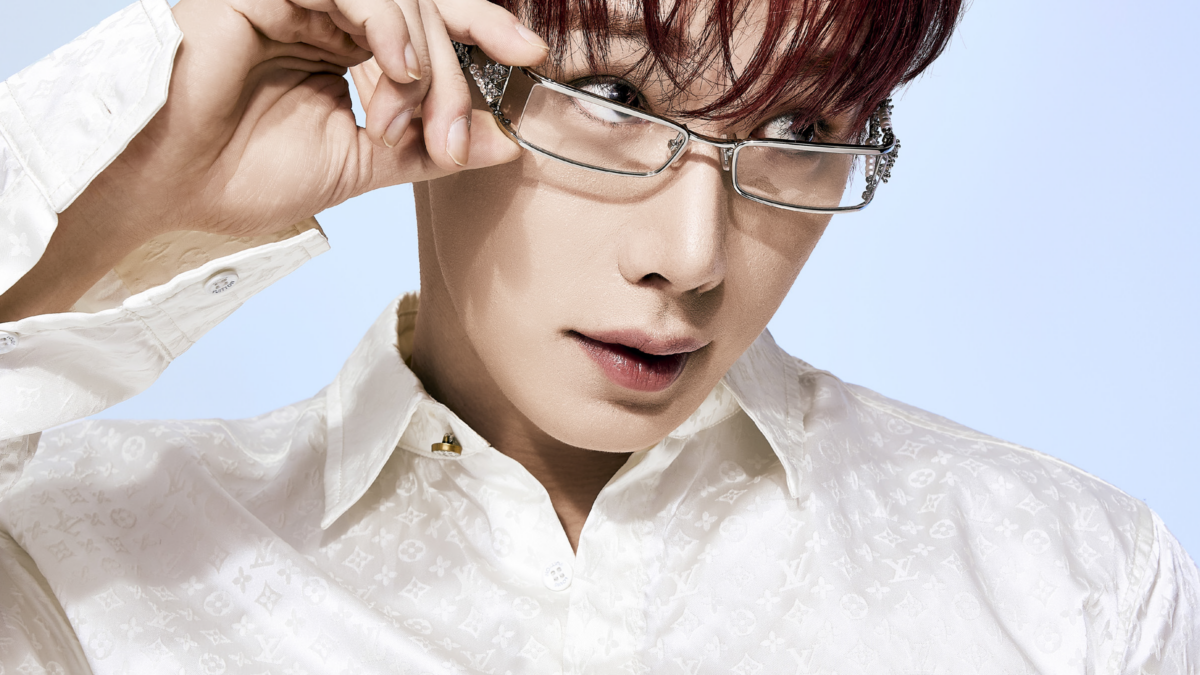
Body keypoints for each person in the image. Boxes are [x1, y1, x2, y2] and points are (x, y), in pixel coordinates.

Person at [0, 0, 1196, 671]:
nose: (692, 254)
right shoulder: (72, 561)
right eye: (617, 98)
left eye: (799, 128)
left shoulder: (1069, 589)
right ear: (432, 52)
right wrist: (120, 189)